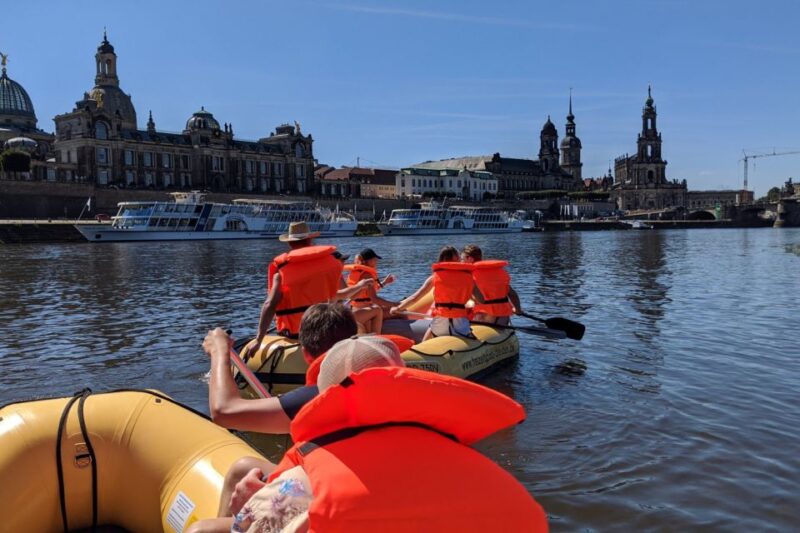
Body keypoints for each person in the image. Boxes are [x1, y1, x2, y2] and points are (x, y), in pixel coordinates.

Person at [219, 336, 548, 532]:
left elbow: (257, 522)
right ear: (403, 381)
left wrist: (248, 509)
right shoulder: (483, 472)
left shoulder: (298, 488)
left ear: (322, 399)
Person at [201, 303, 358, 522]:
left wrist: (219, 351)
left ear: (305, 354)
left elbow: (223, 411)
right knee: (242, 467)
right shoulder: (372, 386)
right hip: (358, 484)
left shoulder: (317, 397)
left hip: (334, 500)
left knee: (201, 530)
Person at [245, 221, 370, 359]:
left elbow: (270, 304)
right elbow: (337, 296)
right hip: (328, 331)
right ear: (310, 240)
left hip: (295, 334)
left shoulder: (280, 272)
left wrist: (259, 339)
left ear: (289, 243)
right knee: (359, 327)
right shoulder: (330, 264)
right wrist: (360, 286)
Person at [391, 245, 480, 341]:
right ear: (458, 259)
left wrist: (398, 308)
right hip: (461, 327)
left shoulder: (434, 277)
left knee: (431, 328)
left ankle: (422, 348)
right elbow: (481, 301)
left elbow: (414, 298)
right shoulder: (469, 277)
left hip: (439, 327)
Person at [461, 244, 523, 325]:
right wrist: (518, 310)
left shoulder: (469, 275)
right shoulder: (499, 272)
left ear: (470, 259)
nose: (461, 262)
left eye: (462, 259)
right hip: (502, 317)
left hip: (482, 316)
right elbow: (512, 294)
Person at [343, 248, 398, 334]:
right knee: (395, 311)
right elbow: (374, 299)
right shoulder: (367, 275)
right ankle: (377, 336)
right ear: (367, 261)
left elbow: (366, 292)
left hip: (356, 308)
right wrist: (395, 304)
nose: (376, 261)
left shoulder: (360, 272)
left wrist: (384, 283)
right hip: (363, 310)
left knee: (389, 308)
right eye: (374, 259)